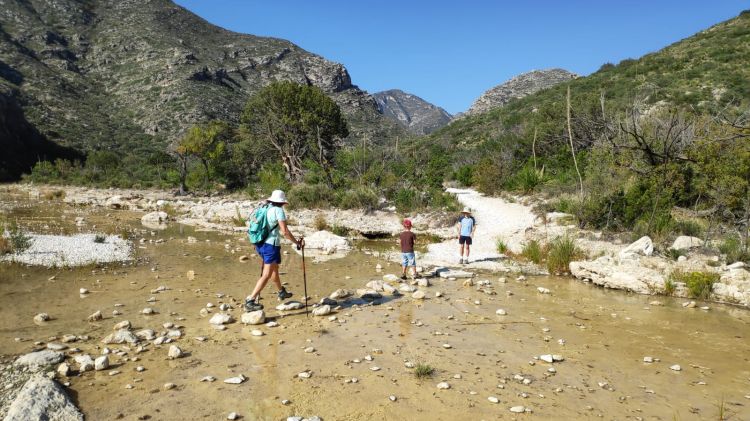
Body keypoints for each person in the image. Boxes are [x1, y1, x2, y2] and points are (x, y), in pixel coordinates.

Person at [244, 190, 305, 312]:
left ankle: (282, 292)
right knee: (266, 274)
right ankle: (250, 300)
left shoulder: (265, 207)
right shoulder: (278, 211)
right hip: (270, 246)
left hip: (260, 243)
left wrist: (256, 242)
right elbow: (285, 232)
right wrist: (297, 243)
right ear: (282, 202)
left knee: (274, 269)